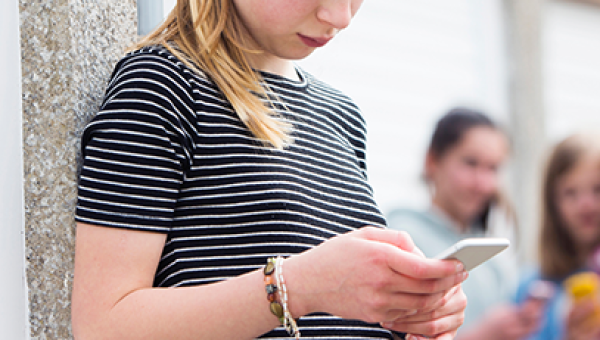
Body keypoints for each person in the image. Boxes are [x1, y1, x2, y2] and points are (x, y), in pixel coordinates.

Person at [70, 1, 468, 340]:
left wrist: (413, 312)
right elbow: (102, 324)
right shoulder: (163, 87)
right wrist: (300, 285)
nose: (340, 16)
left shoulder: (341, 116)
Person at [387, 107, 544, 340]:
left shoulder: (494, 260)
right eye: (471, 163)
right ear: (432, 161)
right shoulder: (398, 238)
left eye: (493, 168)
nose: (482, 183)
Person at [515, 133, 600, 340]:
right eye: (570, 193)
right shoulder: (534, 289)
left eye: (597, 189)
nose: (585, 205)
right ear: (552, 203)